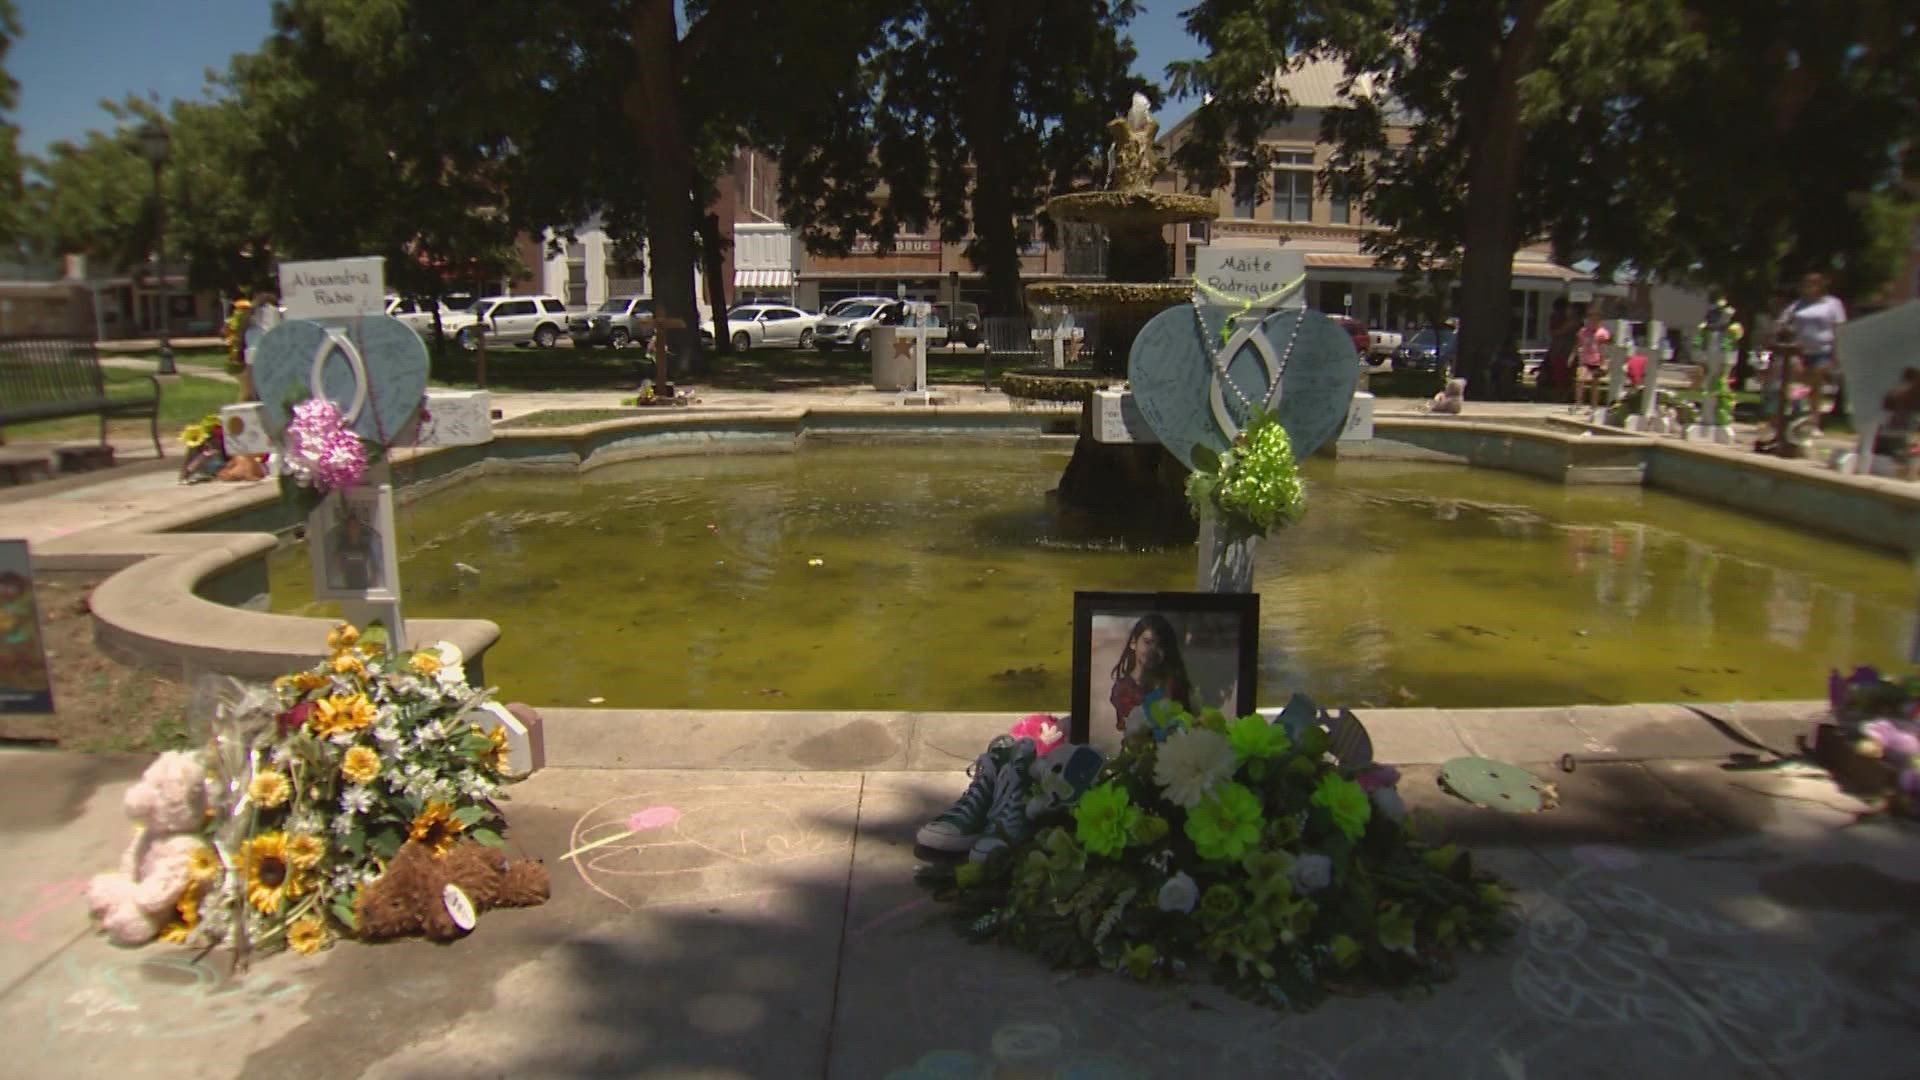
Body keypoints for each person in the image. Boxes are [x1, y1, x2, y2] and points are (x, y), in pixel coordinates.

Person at [1108, 613, 1194, 733]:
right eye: (1147, 642)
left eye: (1160, 645)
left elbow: (1189, 720)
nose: (1152, 650)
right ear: (1133, 643)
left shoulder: (1174, 684)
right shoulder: (1123, 689)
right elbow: (1134, 726)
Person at [1782, 271, 1846, 429]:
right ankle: (1794, 415)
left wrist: (1837, 352)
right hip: (1799, 350)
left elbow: (1838, 327)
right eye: (1805, 284)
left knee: (1815, 384)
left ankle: (1814, 420)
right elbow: (1783, 321)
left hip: (1822, 350)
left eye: (1812, 284)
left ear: (1820, 285)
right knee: (1796, 383)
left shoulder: (1832, 304)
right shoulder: (1798, 305)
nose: (1807, 287)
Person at [327, 504, 384, 592]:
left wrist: (373, 582)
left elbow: (374, 565)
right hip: (349, 585)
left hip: (365, 583)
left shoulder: (365, 545)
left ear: (359, 528)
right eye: (351, 526)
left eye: (356, 526)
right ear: (347, 529)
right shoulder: (342, 546)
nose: (354, 529)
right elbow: (338, 564)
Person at [1573, 310, 1612, 411]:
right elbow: (1578, 344)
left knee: (1594, 384)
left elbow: (1604, 349)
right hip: (1585, 360)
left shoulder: (1602, 333)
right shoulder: (1583, 331)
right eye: (1590, 320)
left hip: (1597, 360)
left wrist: (1604, 363)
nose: (1592, 322)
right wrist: (1573, 355)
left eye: (1595, 320)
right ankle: (1578, 403)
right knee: (1580, 380)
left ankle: (1593, 406)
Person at [1542, 297, 1577, 400]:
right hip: (1559, 350)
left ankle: (1565, 396)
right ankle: (1559, 397)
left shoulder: (1574, 319)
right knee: (1558, 375)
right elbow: (1554, 332)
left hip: (1569, 350)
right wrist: (1565, 328)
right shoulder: (1557, 318)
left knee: (1568, 376)